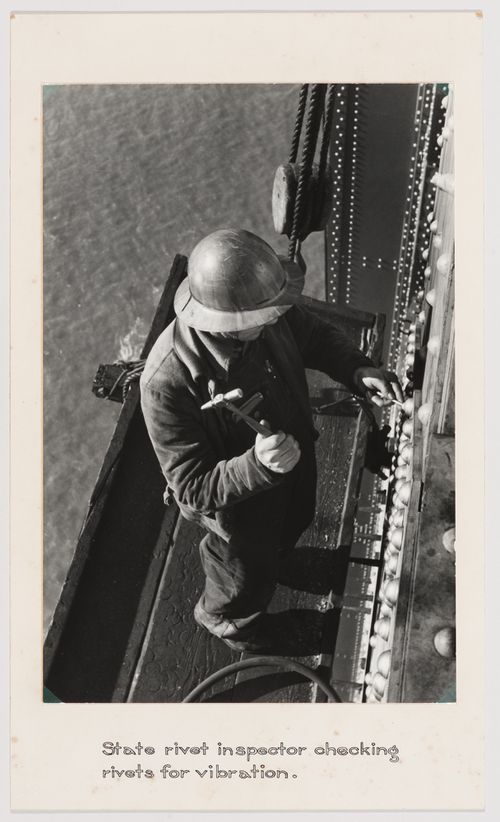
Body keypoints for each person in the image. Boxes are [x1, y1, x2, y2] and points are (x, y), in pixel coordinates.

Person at [140, 229, 402, 652]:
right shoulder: (166, 383)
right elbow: (190, 486)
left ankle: (283, 559)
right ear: (226, 323)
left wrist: (356, 368)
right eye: (263, 318)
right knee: (245, 573)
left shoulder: (265, 315)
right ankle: (231, 625)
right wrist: (257, 466)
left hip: (291, 467)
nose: (275, 319)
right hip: (240, 510)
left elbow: (314, 337)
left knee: (294, 521)